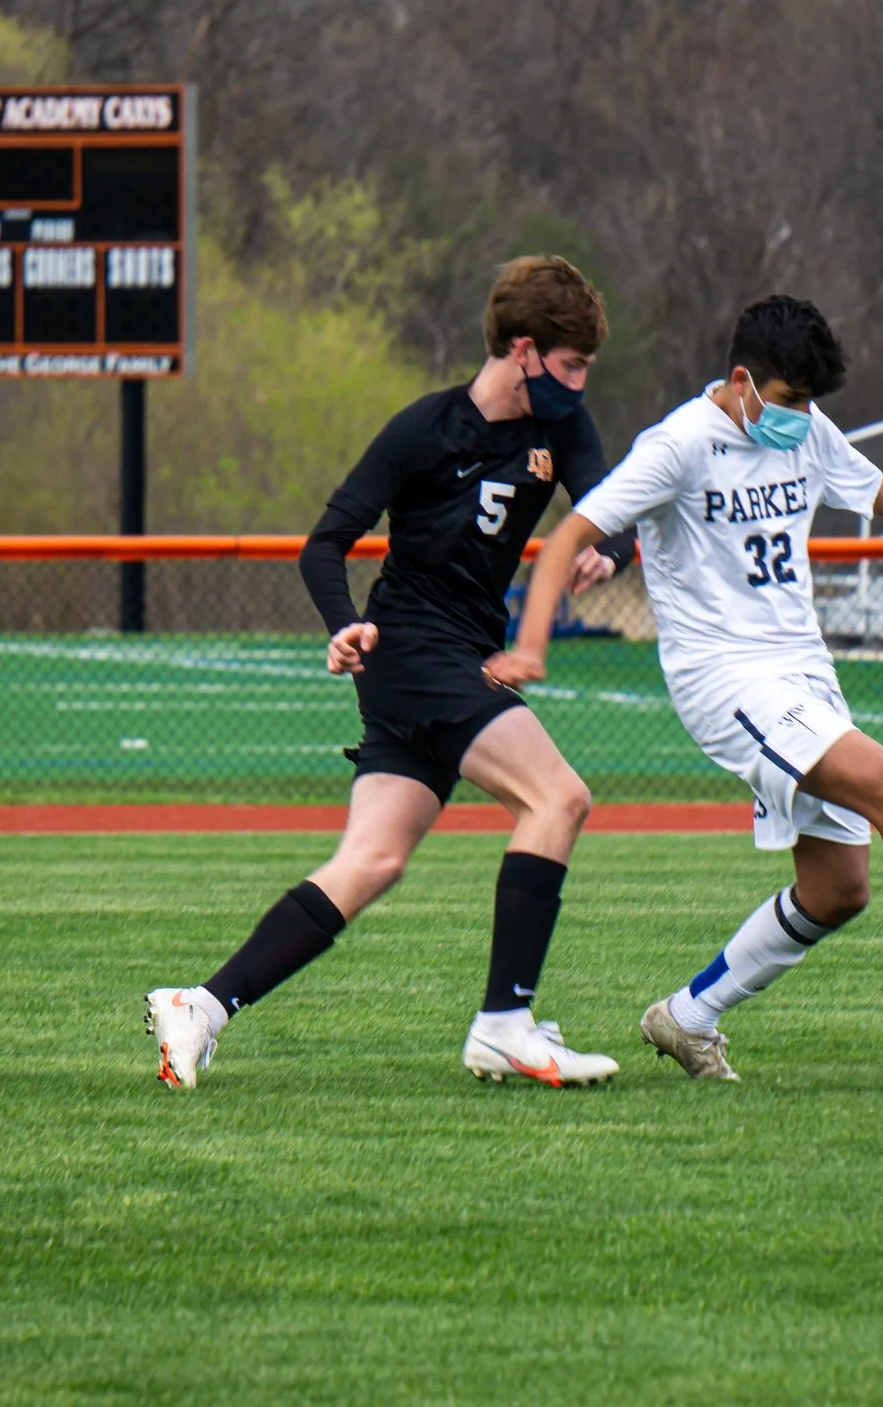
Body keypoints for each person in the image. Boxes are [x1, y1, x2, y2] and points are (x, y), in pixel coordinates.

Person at [491, 295, 883, 1081]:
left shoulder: (805, 428)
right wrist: (533, 643)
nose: (801, 417)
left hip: (803, 671)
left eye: (811, 402)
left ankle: (686, 1015)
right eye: (787, 400)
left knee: (837, 889)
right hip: (728, 678)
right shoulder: (679, 444)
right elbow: (570, 534)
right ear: (741, 380)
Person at [145, 256, 633, 1089]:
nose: (581, 383)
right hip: (411, 650)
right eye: (572, 364)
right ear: (524, 349)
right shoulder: (424, 429)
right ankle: (504, 1023)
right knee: (561, 797)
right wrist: (346, 625)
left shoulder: (563, 431)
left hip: (460, 656)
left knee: (372, 862)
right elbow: (323, 543)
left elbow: (612, 510)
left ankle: (200, 1004)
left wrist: (609, 553)